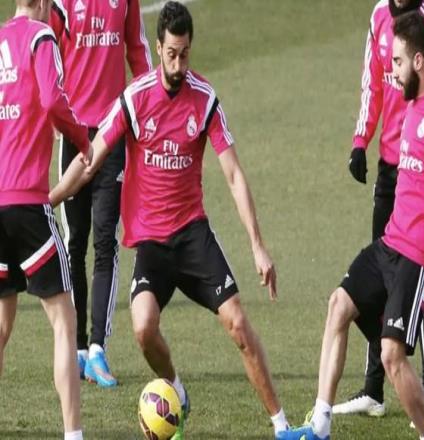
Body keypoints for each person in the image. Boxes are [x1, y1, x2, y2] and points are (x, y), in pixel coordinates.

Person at [50, 2, 293, 438]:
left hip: (193, 235)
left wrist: (258, 246)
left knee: (238, 324)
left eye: (185, 54)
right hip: (152, 244)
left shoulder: (205, 99)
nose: (179, 65)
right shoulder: (135, 98)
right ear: (159, 48)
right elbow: (90, 161)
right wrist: (49, 198)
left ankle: (282, 425)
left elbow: (234, 175)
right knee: (143, 329)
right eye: (172, 54)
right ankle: (177, 390)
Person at [282, 11, 424, 440]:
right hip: (390, 244)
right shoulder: (411, 105)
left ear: (419, 62)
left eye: (397, 62)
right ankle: (319, 426)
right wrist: (361, 140)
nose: (391, 71)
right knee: (338, 304)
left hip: (417, 257)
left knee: (391, 355)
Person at [339, 0, 424, 422]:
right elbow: (371, 84)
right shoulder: (378, 15)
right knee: (378, 282)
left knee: (418, 290)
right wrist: (361, 140)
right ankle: (374, 389)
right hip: (390, 167)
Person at [50, 0, 152, 387]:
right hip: (74, 136)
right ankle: (76, 348)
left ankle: (97, 349)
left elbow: (138, 50)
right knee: (74, 242)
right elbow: (47, 56)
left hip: (113, 133)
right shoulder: (61, 4)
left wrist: (151, 109)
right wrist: (52, 117)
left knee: (105, 241)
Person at [0, 1, 90, 439]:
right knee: (64, 321)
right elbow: (53, 99)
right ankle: (73, 435)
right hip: (28, 202)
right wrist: (81, 138)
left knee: (1, 323)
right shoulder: (41, 37)